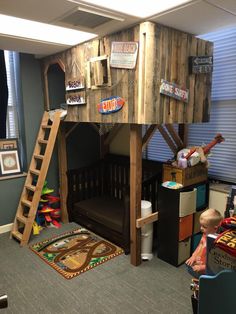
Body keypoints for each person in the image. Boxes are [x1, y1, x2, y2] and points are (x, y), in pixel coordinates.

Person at [186, 208, 223, 278]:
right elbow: (200, 246)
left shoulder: (217, 242)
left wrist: (202, 267)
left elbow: (216, 263)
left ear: (215, 228)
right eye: (201, 225)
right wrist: (193, 256)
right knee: (189, 267)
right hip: (199, 262)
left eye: (204, 226)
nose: (201, 228)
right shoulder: (205, 234)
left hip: (207, 269)